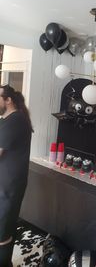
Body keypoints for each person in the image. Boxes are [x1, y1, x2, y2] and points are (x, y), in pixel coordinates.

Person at [0, 85, 33, 267]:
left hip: (8, 188)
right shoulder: (6, 120)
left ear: (8, 100)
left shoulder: (15, 121)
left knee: (2, 232)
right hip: (4, 184)